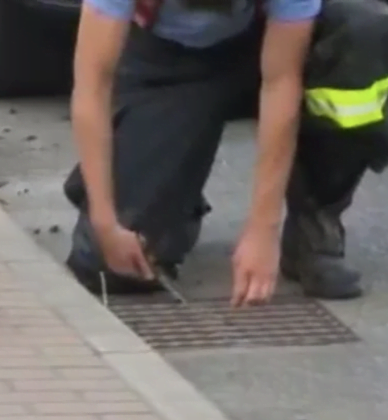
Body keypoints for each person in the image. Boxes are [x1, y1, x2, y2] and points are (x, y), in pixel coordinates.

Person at [63, 0, 372, 306]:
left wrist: (263, 229)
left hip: (261, 44)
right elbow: (93, 87)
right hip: (169, 62)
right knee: (113, 265)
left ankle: (313, 226)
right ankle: (155, 179)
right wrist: (104, 218)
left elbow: (280, 83)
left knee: (361, 34)